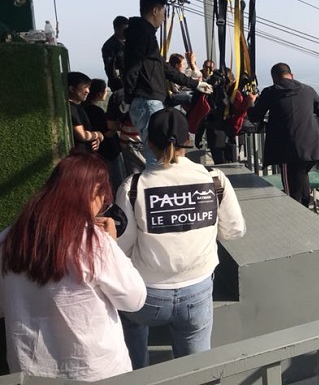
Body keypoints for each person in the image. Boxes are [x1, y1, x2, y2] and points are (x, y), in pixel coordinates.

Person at [115, 108, 246, 369]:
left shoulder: (133, 186)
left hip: (147, 296)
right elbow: (235, 231)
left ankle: (137, 372)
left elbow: (121, 246)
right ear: (188, 140)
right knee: (197, 368)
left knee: (129, 319)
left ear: (149, 143)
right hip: (197, 292)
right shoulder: (214, 179)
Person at [0, 152, 146, 381]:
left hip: (30, 372)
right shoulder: (93, 241)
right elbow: (134, 299)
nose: (101, 208)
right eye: (103, 200)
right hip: (95, 371)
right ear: (93, 193)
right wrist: (112, 245)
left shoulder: (8, 239)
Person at [122, 0, 212, 166]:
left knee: (159, 152)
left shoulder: (142, 34)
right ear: (155, 10)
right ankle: (157, 183)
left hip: (148, 99)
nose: (163, 18)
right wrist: (129, 95)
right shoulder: (141, 34)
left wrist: (194, 83)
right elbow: (133, 68)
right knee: (157, 153)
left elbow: (163, 67)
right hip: (147, 99)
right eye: (163, 13)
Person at [247, 62, 319, 206]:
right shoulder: (308, 90)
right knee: (301, 177)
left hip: (288, 149)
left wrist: (250, 102)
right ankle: (306, 208)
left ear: (274, 78)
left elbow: (254, 117)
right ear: (291, 75)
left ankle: (298, 213)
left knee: (291, 191)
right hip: (312, 146)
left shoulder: (270, 92)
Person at [195, 68, 254, 164]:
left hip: (222, 133)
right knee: (224, 162)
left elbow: (204, 115)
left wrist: (199, 135)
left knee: (225, 162)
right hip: (222, 132)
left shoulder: (234, 93)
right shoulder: (221, 93)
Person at [84, 78, 125, 194]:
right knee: (117, 182)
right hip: (109, 151)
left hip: (97, 152)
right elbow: (107, 131)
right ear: (99, 94)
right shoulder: (97, 111)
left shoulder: (83, 109)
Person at [106, 88, 146, 176]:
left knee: (135, 180)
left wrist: (123, 126)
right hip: (155, 142)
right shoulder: (157, 90)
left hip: (130, 142)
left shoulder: (118, 95)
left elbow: (111, 125)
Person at [68, 71, 103, 153]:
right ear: (72, 89)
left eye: (88, 87)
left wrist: (95, 139)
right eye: (85, 87)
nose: (88, 91)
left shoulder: (79, 106)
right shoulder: (72, 108)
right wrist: (98, 134)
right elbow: (82, 135)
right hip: (79, 154)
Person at [101, 15, 129, 91]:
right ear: (117, 29)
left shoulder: (132, 42)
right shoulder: (109, 46)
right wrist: (120, 85)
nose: (127, 32)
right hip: (119, 84)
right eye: (124, 29)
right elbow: (110, 68)